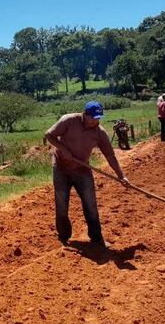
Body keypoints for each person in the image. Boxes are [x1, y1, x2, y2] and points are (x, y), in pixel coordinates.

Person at [44, 101, 129, 249]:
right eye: (93, 118)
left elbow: (110, 156)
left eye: (98, 118)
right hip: (61, 167)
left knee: (90, 203)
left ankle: (96, 238)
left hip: (82, 169)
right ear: (85, 114)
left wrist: (121, 176)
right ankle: (64, 237)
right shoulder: (68, 120)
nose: (96, 121)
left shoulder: (99, 132)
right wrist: (63, 149)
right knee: (61, 203)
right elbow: (49, 135)